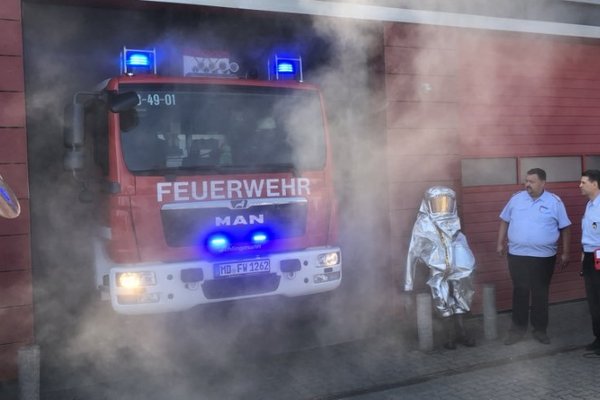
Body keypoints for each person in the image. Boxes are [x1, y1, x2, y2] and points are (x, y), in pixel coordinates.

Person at [497, 168, 571, 345]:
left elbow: (565, 228)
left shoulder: (555, 202)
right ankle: (517, 330)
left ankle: (540, 330)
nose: (527, 184)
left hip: (544, 257)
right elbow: (504, 220)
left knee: (540, 293)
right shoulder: (516, 199)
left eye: (532, 181)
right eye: (526, 181)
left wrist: (566, 252)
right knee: (520, 291)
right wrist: (500, 243)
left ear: (543, 183)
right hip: (517, 255)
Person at [405, 186, 476, 349]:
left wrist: (468, 264)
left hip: (459, 271)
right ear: (428, 204)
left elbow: (461, 244)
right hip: (437, 272)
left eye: (446, 202)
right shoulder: (423, 224)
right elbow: (412, 253)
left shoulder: (454, 220)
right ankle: (449, 336)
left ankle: (462, 333)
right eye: (438, 202)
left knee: (461, 299)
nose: (443, 207)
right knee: (442, 300)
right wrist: (408, 284)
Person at [578, 169, 600, 353]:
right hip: (590, 256)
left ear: (595, 184)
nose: (580, 185)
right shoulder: (590, 205)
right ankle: (598, 339)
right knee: (593, 300)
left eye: (583, 182)